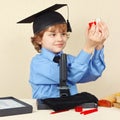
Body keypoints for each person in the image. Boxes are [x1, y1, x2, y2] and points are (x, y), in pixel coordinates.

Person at [17, 4, 109, 100]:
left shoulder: (69, 59)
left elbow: (93, 73)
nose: (60, 39)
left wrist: (98, 45)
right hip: (46, 112)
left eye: (63, 34)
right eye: (53, 34)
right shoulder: (38, 63)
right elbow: (69, 77)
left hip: (69, 110)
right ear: (39, 39)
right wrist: (88, 48)